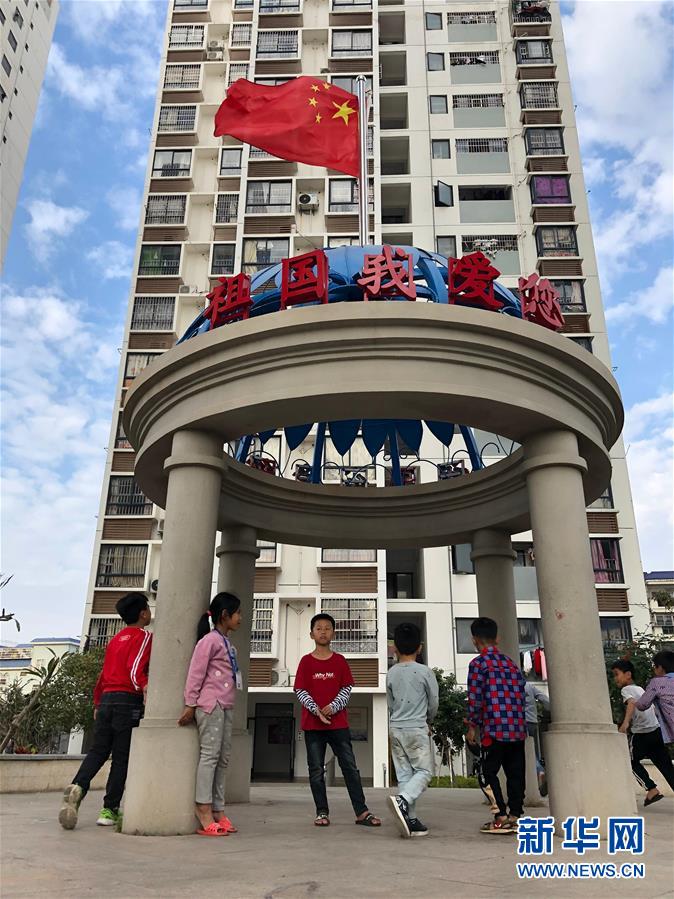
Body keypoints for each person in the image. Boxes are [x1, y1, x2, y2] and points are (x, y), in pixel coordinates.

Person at [59, 592, 152, 830]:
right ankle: (109, 810)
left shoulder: (115, 639)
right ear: (143, 613)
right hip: (127, 701)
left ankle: (78, 786)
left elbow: (103, 675)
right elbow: (135, 668)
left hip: (107, 700)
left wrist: (97, 702)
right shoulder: (144, 636)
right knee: (121, 758)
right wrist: (143, 686)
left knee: (98, 751)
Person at [294, 613, 381, 828]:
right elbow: (300, 690)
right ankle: (321, 812)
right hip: (313, 725)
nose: (323, 632)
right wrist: (316, 710)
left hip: (338, 724)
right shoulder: (305, 662)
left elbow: (346, 689)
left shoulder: (340, 661)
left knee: (350, 767)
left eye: (327, 628)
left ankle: (362, 812)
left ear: (333, 633)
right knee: (316, 770)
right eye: (318, 628)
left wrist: (332, 707)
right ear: (311, 634)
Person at [178, 592, 242, 837]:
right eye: (237, 613)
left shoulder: (227, 643)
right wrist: (190, 704)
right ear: (225, 615)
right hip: (210, 704)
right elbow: (196, 672)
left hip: (226, 705)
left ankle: (218, 808)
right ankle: (203, 808)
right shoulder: (209, 641)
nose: (240, 618)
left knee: (223, 758)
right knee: (210, 757)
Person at [466, 617, 526, 834]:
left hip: (493, 729)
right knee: (515, 774)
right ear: (497, 638)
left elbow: (475, 699)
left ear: (474, 640)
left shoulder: (478, 664)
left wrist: (472, 727)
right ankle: (515, 816)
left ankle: (500, 815)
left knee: (486, 773)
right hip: (517, 728)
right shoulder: (512, 664)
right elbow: (523, 694)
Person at [386, 622, 439, 838]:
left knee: (405, 775)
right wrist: (429, 720)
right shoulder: (425, 672)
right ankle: (402, 800)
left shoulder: (391, 673)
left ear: (395, 648)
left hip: (396, 728)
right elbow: (433, 702)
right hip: (416, 727)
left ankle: (410, 819)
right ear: (420, 648)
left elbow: (390, 703)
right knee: (424, 772)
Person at [611, 658, 674, 807]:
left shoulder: (626, 690)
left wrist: (625, 723)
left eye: (616, 674)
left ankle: (651, 789)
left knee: (629, 761)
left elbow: (632, 703)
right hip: (656, 732)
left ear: (628, 674)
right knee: (666, 767)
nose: (615, 678)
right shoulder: (640, 689)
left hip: (641, 735)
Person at [632, 649, 674, 742]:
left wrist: (633, 702)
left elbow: (642, 705)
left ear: (660, 667)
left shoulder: (657, 682)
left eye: (655, 666)